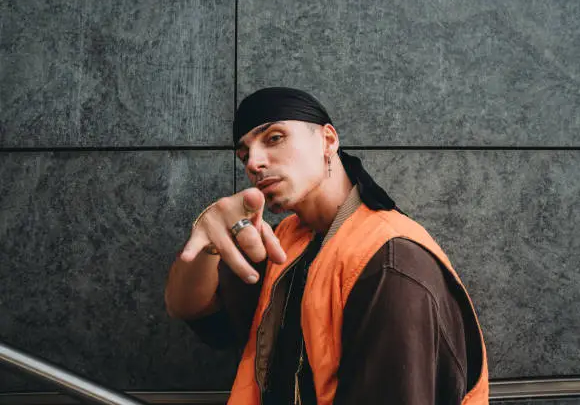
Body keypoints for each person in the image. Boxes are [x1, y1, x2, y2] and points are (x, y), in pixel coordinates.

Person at [165, 87, 489, 405]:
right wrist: (208, 243)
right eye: (244, 154)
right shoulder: (288, 239)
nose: (254, 162)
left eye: (274, 137)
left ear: (328, 140)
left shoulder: (390, 263)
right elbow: (190, 308)